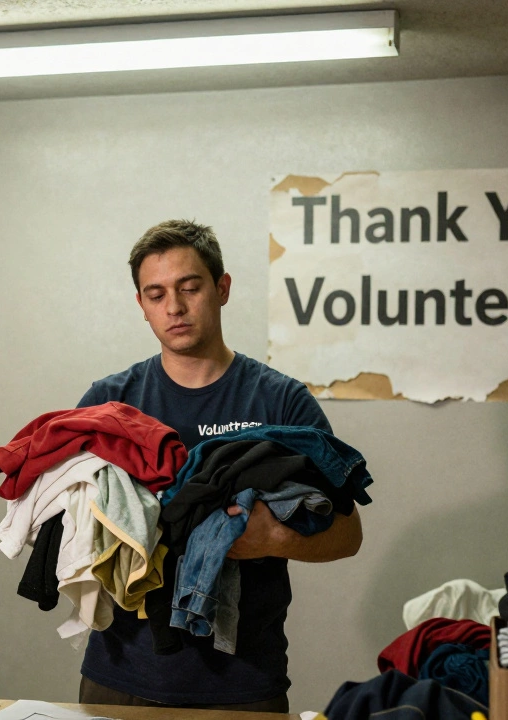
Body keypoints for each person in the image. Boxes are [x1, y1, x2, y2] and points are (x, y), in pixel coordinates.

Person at [75, 219, 364, 711]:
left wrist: (269, 538)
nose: (175, 307)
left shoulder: (281, 402)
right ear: (141, 305)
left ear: (222, 288)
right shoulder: (110, 402)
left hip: (243, 681)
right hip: (119, 675)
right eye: (156, 293)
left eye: (190, 287)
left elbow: (348, 534)